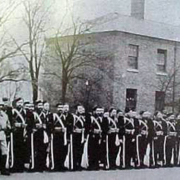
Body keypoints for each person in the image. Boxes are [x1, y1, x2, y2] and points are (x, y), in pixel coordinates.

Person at [11, 98, 27, 172]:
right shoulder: (13, 111)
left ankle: (21, 166)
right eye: (19, 102)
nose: (20, 104)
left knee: (22, 149)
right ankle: (14, 166)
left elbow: (28, 121)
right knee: (15, 149)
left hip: (23, 132)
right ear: (16, 103)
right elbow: (11, 121)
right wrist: (18, 124)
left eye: (21, 102)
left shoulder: (24, 111)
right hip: (15, 132)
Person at [52, 104, 67, 171]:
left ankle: (61, 165)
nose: (60, 109)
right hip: (56, 136)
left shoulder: (64, 116)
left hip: (63, 136)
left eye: (62, 107)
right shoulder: (54, 116)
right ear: (57, 108)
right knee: (56, 151)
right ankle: (56, 166)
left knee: (62, 151)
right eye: (59, 108)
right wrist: (56, 129)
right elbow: (51, 125)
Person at [0, 100, 11, 175]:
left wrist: (8, 129)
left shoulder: (4, 115)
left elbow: (8, 124)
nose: (1, 107)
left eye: (2, 105)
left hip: (2, 133)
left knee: (4, 151)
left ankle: (3, 169)